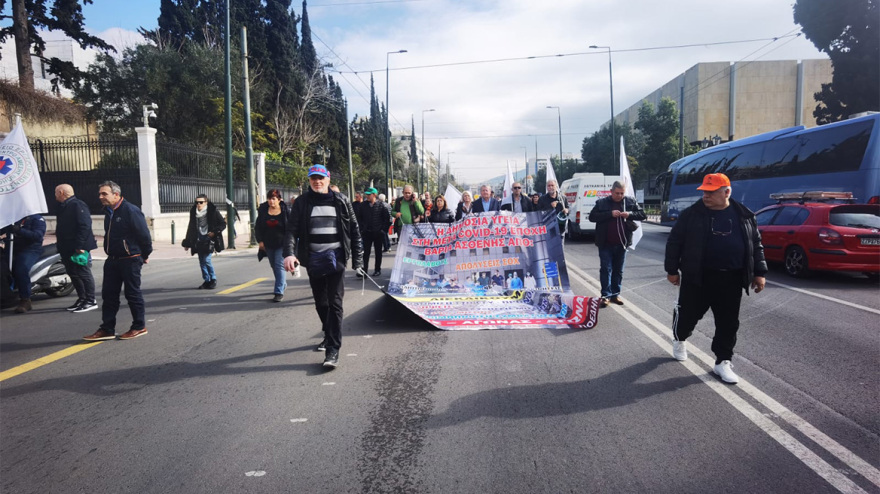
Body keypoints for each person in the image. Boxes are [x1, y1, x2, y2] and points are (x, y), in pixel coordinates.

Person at [665, 173, 767, 384]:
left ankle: (723, 361)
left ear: (726, 192)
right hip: (697, 278)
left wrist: (759, 273)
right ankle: (680, 338)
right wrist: (672, 269)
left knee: (728, 324)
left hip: (731, 279)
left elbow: (755, 245)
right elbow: (674, 242)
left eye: (711, 192)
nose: (706, 196)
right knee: (687, 317)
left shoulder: (744, 215)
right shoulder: (691, 215)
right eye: (704, 192)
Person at [283, 165, 363, 369]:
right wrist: (290, 253)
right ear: (309, 181)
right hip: (314, 259)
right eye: (313, 179)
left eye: (321, 178)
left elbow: (354, 230)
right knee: (321, 302)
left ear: (328, 179)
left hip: (336, 257)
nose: (317, 182)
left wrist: (358, 261)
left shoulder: (342, 200)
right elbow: (291, 230)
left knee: (335, 303)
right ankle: (329, 334)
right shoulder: (302, 203)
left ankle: (333, 349)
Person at [84, 181, 153, 341]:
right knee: (109, 295)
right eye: (100, 193)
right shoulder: (109, 211)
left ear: (116, 194)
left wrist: (144, 255)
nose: (100, 197)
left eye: (104, 194)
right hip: (113, 260)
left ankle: (139, 326)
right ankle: (107, 328)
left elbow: (144, 236)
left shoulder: (130, 210)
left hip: (130, 259)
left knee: (132, 294)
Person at [587, 181, 647, 308]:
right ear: (611, 191)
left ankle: (615, 294)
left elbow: (643, 215)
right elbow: (592, 217)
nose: (620, 196)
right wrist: (610, 214)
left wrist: (629, 214)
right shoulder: (602, 202)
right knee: (606, 269)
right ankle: (605, 295)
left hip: (622, 243)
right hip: (605, 244)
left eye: (622, 193)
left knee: (618, 271)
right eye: (617, 193)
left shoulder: (629, 201)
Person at [54, 184, 98, 313]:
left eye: (56, 192)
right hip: (67, 246)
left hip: (78, 247)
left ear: (61, 192)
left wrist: (80, 245)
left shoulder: (77, 205)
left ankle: (90, 300)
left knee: (83, 272)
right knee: (73, 273)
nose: (55, 195)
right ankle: (82, 298)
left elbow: (84, 226)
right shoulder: (64, 206)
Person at [2, 214, 46, 313]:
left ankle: (25, 300)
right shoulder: (14, 218)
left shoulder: (37, 219)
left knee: (21, 269)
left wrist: (19, 230)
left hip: (30, 250)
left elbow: (38, 235)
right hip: (12, 248)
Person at [181, 194, 226, 289]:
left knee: (207, 260)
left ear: (206, 202)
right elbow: (191, 226)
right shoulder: (194, 211)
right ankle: (206, 280)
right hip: (198, 238)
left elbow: (222, 224)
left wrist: (214, 232)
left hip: (209, 239)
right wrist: (187, 242)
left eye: (201, 202)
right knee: (201, 261)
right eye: (197, 202)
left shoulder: (213, 211)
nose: (198, 204)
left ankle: (213, 279)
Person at [255, 189, 290, 302]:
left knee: (279, 265)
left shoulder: (285, 210)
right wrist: (260, 241)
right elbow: (258, 227)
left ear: (279, 200)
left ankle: (278, 291)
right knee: (274, 266)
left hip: (282, 243)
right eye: (269, 199)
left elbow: (290, 228)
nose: (271, 201)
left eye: (274, 199)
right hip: (268, 243)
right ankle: (282, 283)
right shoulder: (263, 211)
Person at [358, 187, 392, 277]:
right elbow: (359, 218)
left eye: (369, 194)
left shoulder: (381, 205)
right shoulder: (363, 205)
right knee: (366, 253)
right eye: (367, 194)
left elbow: (387, 220)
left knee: (378, 252)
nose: (367, 196)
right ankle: (364, 270)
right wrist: (362, 229)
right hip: (367, 233)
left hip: (378, 233)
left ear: (374, 195)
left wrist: (383, 231)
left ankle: (377, 269)